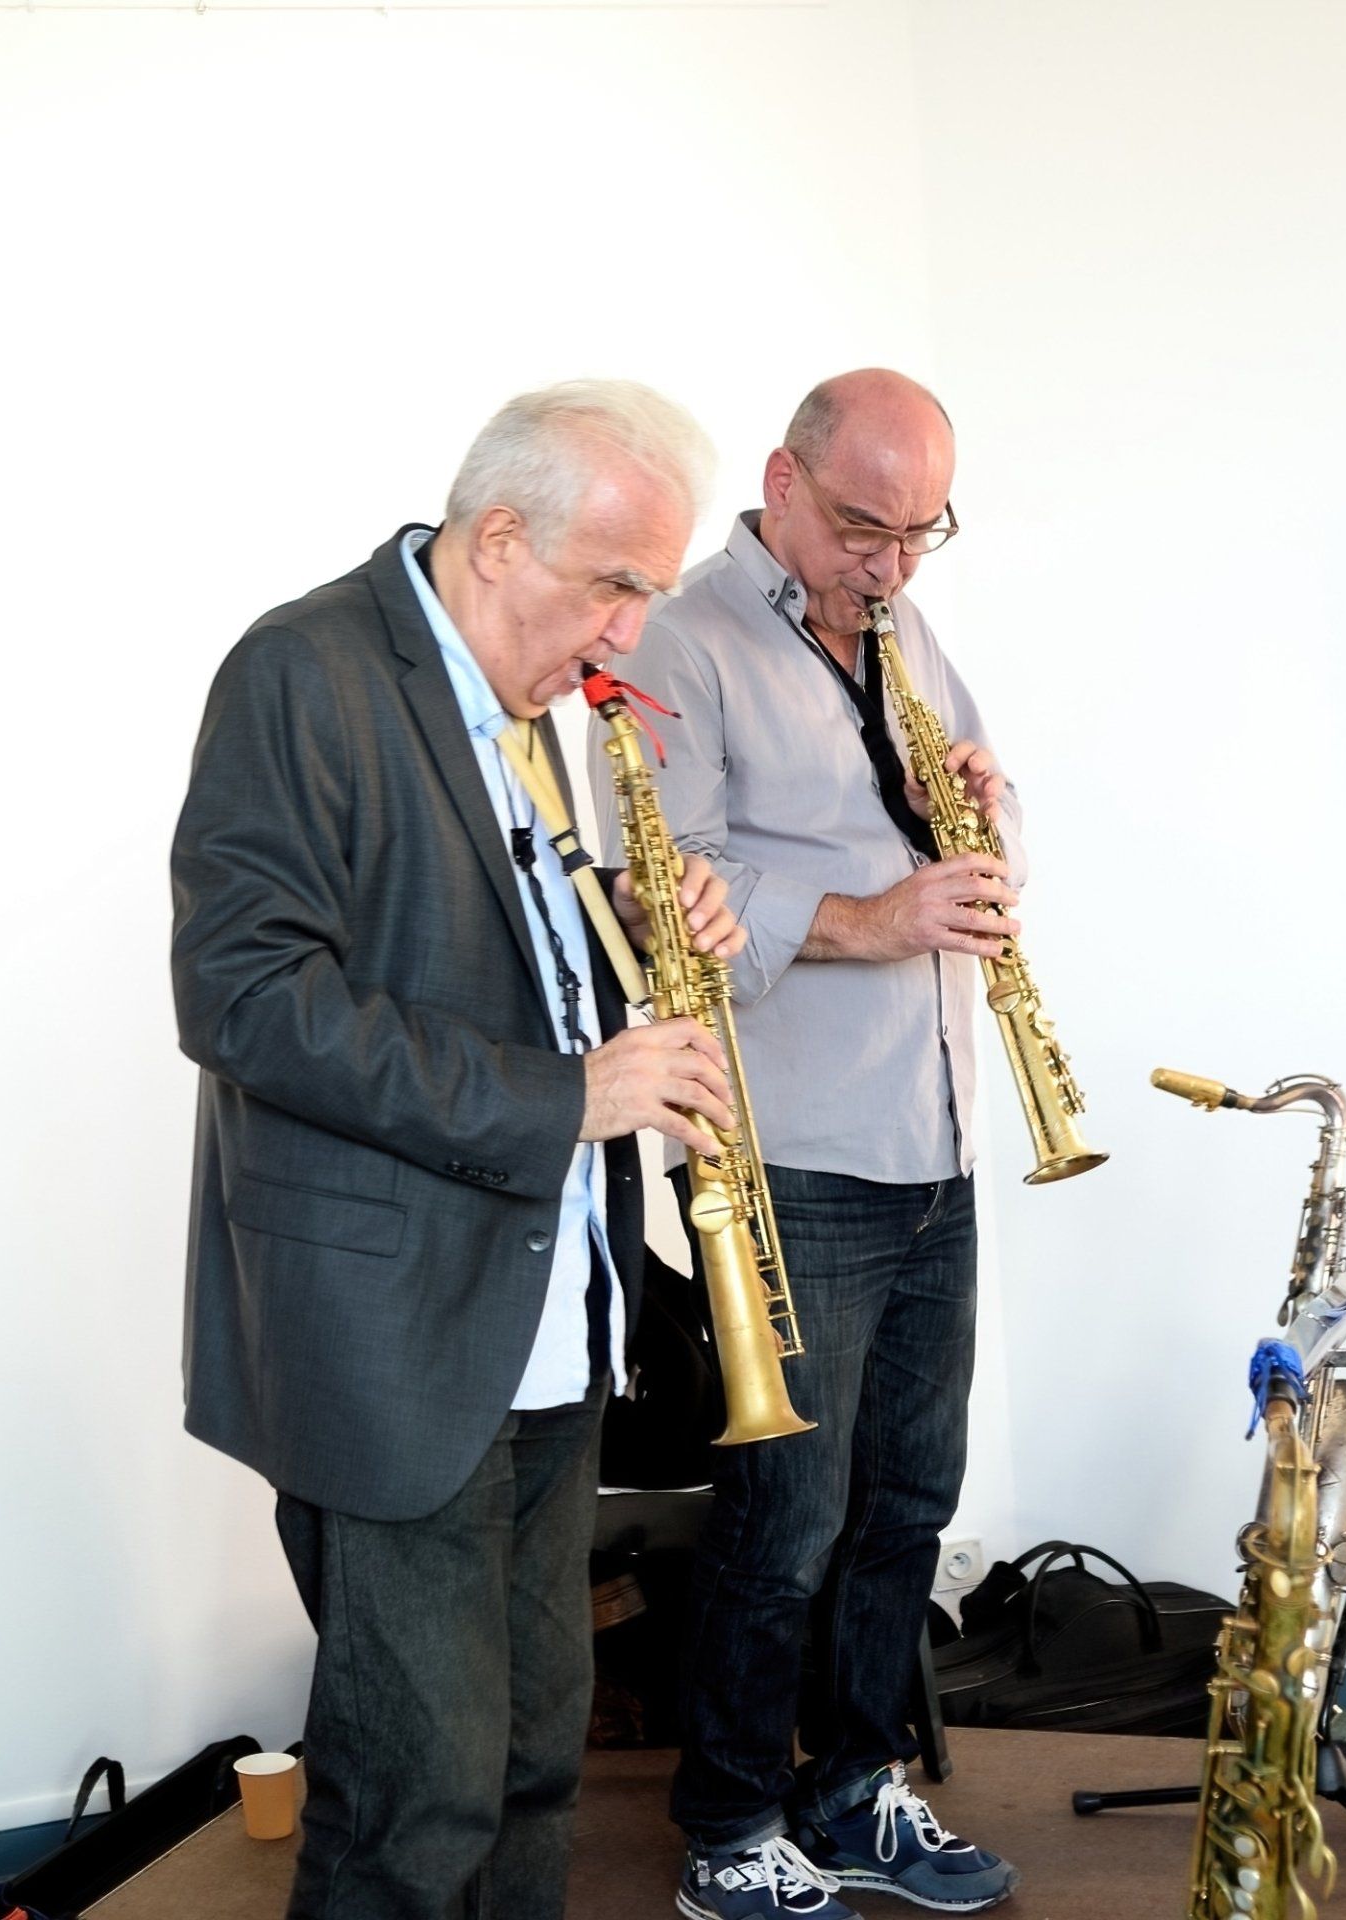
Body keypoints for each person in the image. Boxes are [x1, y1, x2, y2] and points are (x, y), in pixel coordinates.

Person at [172, 380, 743, 1920]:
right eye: (615, 586)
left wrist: (625, 924)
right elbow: (246, 997)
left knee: (533, 1764)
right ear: (499, 539)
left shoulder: (521, 707)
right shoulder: (307, 670)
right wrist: (569, 1097)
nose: (631, 634)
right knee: (414, 1800)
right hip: (397, 1342)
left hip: (548, 1325)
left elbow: (485, 955)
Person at [591, 370, 1023, 1919]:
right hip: (791, 1155)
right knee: (786, 1520)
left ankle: (851, 1791)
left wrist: (986, 815)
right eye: (862, 529)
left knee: (908, 1503)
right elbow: (663, 888)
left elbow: (982, 844)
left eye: (921, 535)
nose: (890, 566)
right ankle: (727, 1826)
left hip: (934, 1136)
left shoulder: (906, 635)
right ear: (782, 482)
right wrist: (874, 918)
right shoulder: (679, 643)